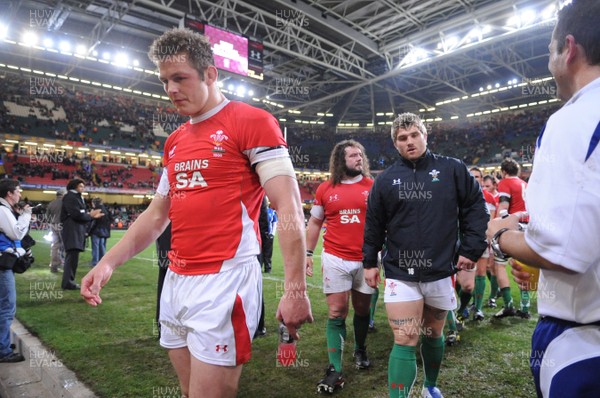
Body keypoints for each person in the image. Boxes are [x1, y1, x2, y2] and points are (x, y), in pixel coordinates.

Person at [81, 28, 312, 398]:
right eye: (164, 81)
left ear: (209, 74)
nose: (170, 89)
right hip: (175, 280)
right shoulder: (175, 142)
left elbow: (287, 206)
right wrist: (108, 262)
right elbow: (157, 216)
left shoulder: (252, 121)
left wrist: (296, 288)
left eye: (180, 78)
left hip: (226, 279)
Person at [487, 1, 600, 396]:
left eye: (549, 51)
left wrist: (502, 236)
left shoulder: (576, 117)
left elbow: (563, 252)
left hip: (584, 344)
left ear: (569, 49)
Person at [363, 113, 488, 398]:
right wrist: (370, 262)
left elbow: (475, 208)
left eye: (414, 135)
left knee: (433, 334)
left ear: (425, 135)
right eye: (402, 138)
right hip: (400, 272)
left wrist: (470, 249)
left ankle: (430, 386)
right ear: (395, 144)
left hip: (441, 269)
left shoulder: (453, 169)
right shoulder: (386, 181)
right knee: (405, 337)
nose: (410, 142)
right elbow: (374, 224)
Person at [305, 139, 374, 394]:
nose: (359, 159)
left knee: (362, 309)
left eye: (360, 155)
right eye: (353, 155)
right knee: (336, 312)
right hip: (335, 258)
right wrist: (308, 253)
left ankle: (360, 348)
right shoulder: (325, 189)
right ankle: (335, 368)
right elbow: (314, 224)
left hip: (366, 260)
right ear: (340, 160)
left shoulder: (372, 186)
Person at [493, 158, 530, 319]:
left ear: (503, 172)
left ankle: (508, 305)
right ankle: (525, 307)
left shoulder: (505, 183)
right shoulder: (525, 184)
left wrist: (500, 227)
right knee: (523, 267)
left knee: (499, 267)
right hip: (528, 227)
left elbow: (503, 207)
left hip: (513, 227)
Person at [0, 179, 32, 363]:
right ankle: (3, 351)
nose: (20, 194)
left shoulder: (5, 209)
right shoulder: (2, 209)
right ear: (9, 193)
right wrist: (25, 215)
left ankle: (2, 344)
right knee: (6, 308)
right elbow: (16, 233)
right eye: (18, 191)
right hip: (2, 263)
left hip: (4, 261)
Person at [60, 179, 103, 290]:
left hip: (76, 230)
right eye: (80, 186)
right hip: (72, 230)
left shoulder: (76, 197)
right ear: (74, 186)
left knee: (73, 257)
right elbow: (76, 214)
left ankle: (69, 282)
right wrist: (90, 216)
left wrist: (88, 215)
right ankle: (68, 283)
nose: (83, 188)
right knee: (72, 257)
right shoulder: (70, 197)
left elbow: (79, 213)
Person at [46, 189, 65, 273]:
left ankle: (54, 265)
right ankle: (66, 266)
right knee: (66, 246)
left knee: (55, 246)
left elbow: (47, 217)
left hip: (54, 226)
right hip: (63, 226)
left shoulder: (51, 203)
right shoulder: (65, 203)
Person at [89, 197, 112, 267]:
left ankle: (95, 262)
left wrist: (88, 231)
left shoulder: (96, 210)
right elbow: (111, 219)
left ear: (94, 203)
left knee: (96, 247)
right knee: (102, 246)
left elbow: (93, 222)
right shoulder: (106, 209)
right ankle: (102, 262)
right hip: (104, 231)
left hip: (96, 231)